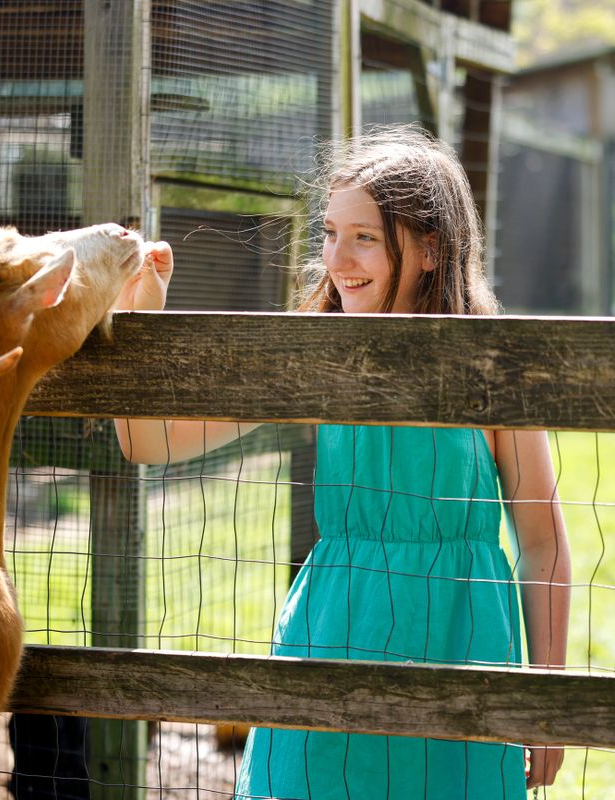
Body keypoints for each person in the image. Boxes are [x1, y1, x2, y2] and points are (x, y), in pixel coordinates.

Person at [114, 126, 571, 799]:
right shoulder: (311, 354)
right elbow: (146, 444)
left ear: (430, 248)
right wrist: (143, 316)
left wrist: (547, 703)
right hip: (329, 645)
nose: (338, 257)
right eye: (330, 232)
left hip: (463, 653)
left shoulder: (493, 364)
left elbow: (543, 544)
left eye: (364, 236)